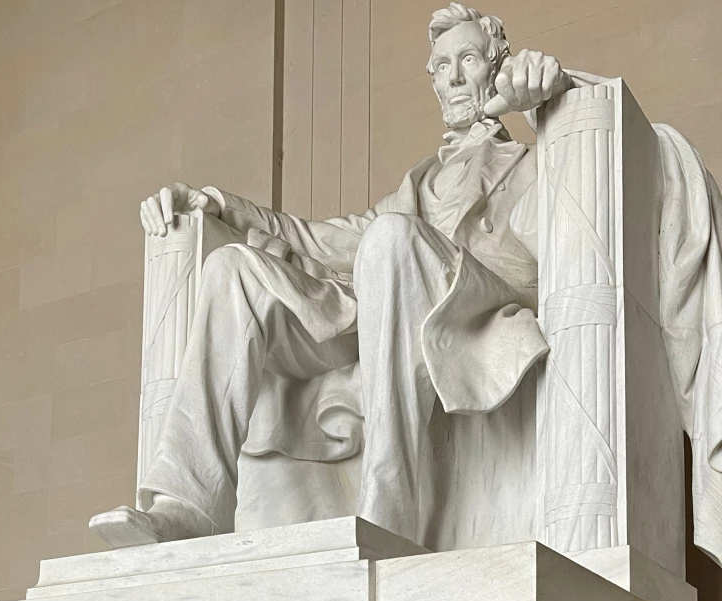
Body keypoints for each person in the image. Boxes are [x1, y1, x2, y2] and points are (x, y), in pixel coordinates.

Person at [94, 5, 571, 547]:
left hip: (471, 311)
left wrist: (553, 100)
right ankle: (188, 504)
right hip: (375, 312)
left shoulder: (539, 162)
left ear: (497, 63)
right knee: (232, 269)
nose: (455, 76)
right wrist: (219, 204)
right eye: (441, 66)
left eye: (468, 58)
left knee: (391, 238)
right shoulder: (417, 184)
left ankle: (389, 507)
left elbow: (567, 230)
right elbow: (326, 237)